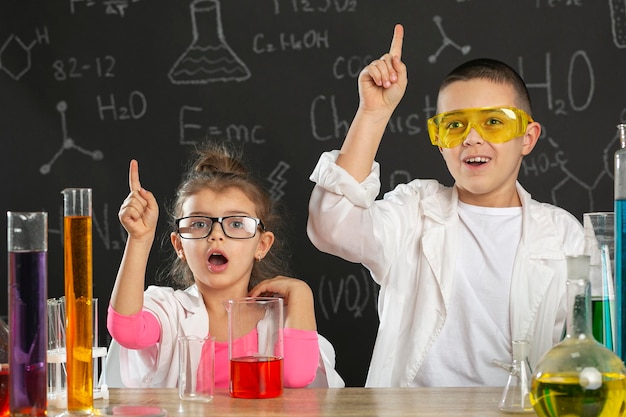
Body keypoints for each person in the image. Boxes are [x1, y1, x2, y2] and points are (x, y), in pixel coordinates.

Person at [306, 24, 585, 387]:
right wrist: (373, 114)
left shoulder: (564, 235)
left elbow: (589, 344)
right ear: (439, 140)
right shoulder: (415, 210)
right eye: (454, 125)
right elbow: (331, 227)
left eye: (494, 122)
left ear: (527, 137)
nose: (471, 139)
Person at [104, 142, 344, 389]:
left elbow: (296, 378)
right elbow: (126, 329)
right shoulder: (170, 312)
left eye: (236, 224)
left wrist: (302, 294)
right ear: (179, 246)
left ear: (262, 245)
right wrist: (140, 239)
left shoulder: (281, 320)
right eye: (198, 224)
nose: (216, 234)